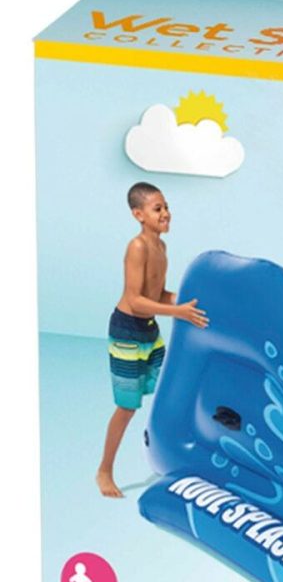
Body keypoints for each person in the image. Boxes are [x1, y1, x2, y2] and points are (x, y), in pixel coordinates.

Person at [97, 183, 209, 498]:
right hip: (127, 332)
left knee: (172, 389)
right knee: (127, 407)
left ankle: (178, 455)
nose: (165, 213)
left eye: (166, 207)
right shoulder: (137, 247)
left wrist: (189, 301)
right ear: (139, 215)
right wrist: (178, 312)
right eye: (157, 208)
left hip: (149, 330)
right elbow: (135, 300)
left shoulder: (161, 247)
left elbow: (156, 295)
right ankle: (104, 470)